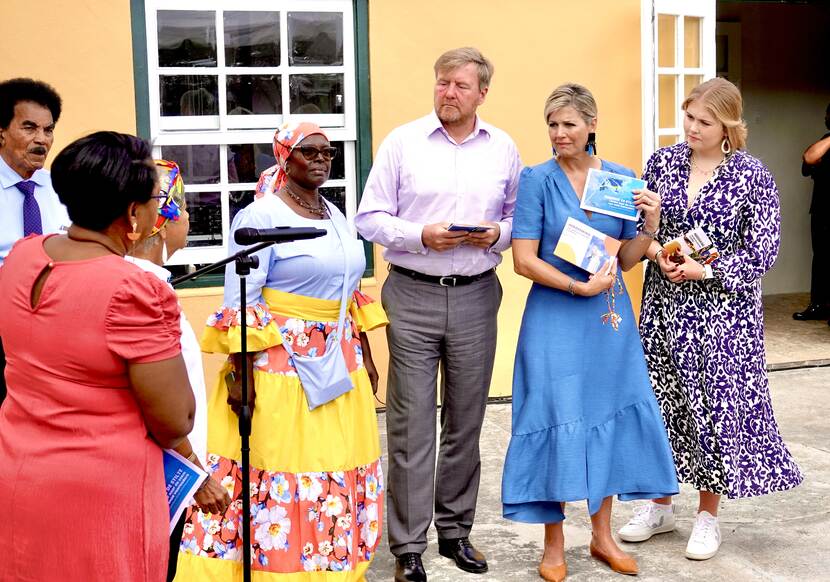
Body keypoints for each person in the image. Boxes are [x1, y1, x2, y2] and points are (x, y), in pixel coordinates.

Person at [174, 121, 387, 581]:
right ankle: (279, 568)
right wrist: (242, 376)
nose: (321, 160)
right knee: (284, 470)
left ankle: (329, 565)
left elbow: (349, 288)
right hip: (279, 371)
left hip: (337, 364)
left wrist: (365, 351)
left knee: (334, 466)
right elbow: (242, 299)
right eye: (309, 152)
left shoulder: (335, 214)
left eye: (327, 153)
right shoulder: (260, 217)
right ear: (284, 158)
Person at [355, 46, 522, 582]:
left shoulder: (503, 149)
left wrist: (498, 233)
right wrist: (419, 236)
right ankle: (407, 546)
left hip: (476, 293)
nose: (448, 93)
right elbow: (369, 217)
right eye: (442, 83)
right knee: (410, 425)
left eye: (460, 86)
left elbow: (520, 216)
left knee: (466, 420)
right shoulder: (403, 142)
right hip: (413, 292)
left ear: (482, 94)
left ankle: (455, 532)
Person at [619, 77, 803, 561]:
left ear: (728, 125)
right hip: (664, 306)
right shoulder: (662, 162)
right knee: (660, 405)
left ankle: (707, 516)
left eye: (705, 121)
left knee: (714, 413)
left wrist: (706, 269)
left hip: (724, 316)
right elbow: (640, 230)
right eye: (689, 116)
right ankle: (659, 506)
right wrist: (657, 250)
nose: (692, 127)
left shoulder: (752, 175)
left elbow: (763, 252)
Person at [501, 83, 678, 582]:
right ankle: (554, 544)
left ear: (592, 125)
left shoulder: (621, 180)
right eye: (553, 125)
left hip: (608, 319)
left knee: (605, 416)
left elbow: (624, 258)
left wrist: (651, 222)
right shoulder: (536, 179)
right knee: (554, 415)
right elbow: (523, 260)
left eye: (569, 124)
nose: (559, 134)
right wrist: (576, 289)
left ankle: (603, 537)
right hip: (555, 315)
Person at [0, 131, 196, 581]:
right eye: (153, 198)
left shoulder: (24, 255)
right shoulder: (133, 289)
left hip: (18, 473)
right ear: (132, 213)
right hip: (98, 498)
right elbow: (174, 420)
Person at [126, 159, 231, 582]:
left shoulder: (150, 282)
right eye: (184, 211)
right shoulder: (146, 291)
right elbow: (159, 402)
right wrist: (198, 474)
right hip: (160, 476)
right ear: (162, 223)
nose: (189, 219)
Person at [0, 78, 69, 405]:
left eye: (48, 130)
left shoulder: (60, 189)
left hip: (56, 333)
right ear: (1, 131)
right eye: (29, 128)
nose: (42, 140)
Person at [793, 102, 830, 322]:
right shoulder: (825, 140)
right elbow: (809, 159)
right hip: (822, 210)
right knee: (822, 259)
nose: (827, 117)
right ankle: (819, 305)